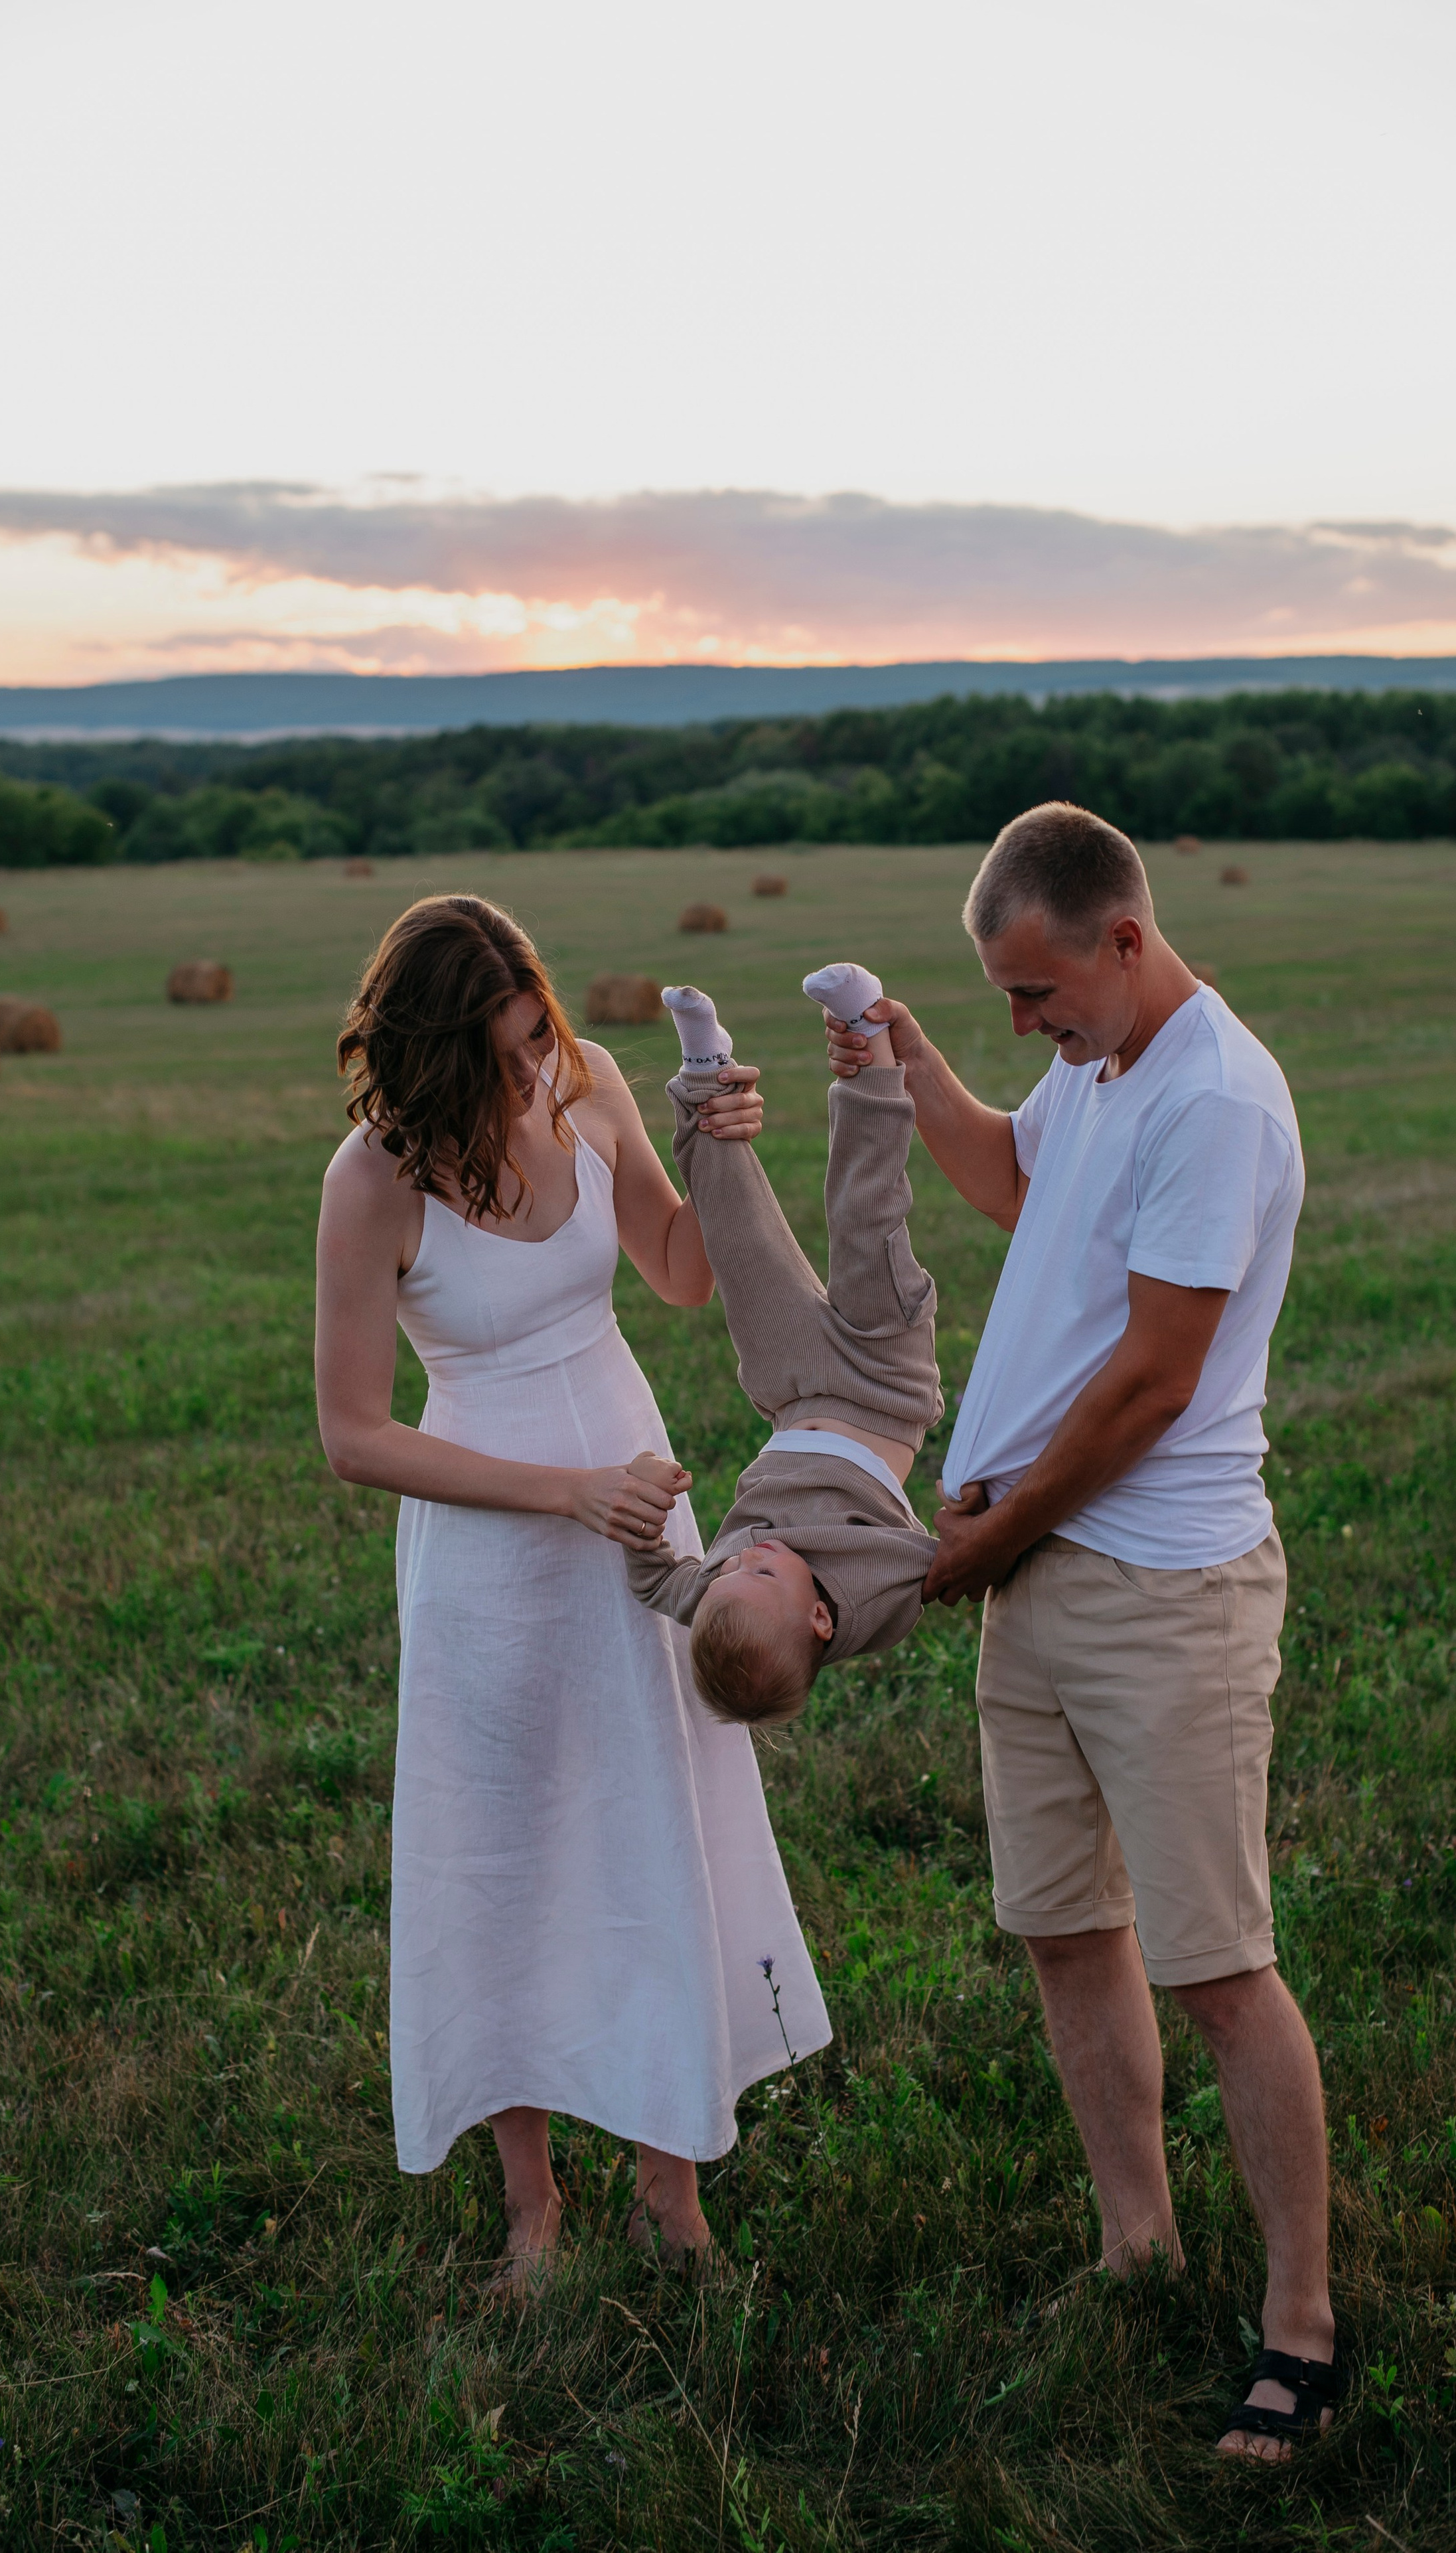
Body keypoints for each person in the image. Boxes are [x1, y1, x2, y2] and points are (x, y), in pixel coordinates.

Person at [826, 804, 1335, 2462]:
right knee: (1062, 1927)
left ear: (1122, 938)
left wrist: (982, 1546)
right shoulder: (1100, 1068)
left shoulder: (1211, 1097)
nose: (1022, 1027)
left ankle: (1298, 2324)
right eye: (999, 1000)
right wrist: (902, 1053)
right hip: (1033, 1569)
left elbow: (1148, 1382)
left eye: (1035, 996)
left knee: (1214, 1964)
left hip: (1154, 1588)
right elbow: (1005, 1169)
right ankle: (1136, 2243)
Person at [315, 894, 829, 2295]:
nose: (533, 1065)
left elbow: (671, 1275)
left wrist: (715, 1162)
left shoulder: (587, 1082)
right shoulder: (375, 1180)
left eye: (537, 1029)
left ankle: (674, 2190)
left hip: (641, 1516)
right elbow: (355, 1435)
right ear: (428, 1057)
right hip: (490, 1552)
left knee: (649, 1818)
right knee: (506, 1851)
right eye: (501, 1049)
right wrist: (560, 1493)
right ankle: (531, 2208)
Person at [623, 968, 940, 1724]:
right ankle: (869, 1046)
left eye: (725, 1569)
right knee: (865, 1217)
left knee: (735, 1243)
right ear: (821, 1622)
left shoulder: (712, 1591)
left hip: (791, 1390)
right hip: (882, 1382)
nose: (743, 1557)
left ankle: (706, 1077)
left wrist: (640, 1510)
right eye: (762, 1577)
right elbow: (952, 1559)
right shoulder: (880, 1597)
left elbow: (651, 1578)